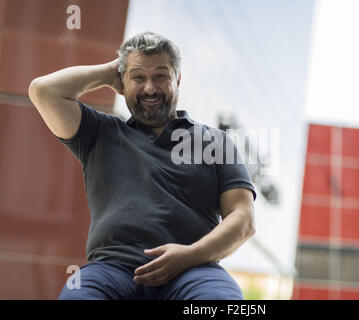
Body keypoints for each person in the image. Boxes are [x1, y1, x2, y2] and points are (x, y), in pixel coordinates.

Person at [28, 31, 256, 300]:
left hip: (196, 270)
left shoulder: (216, 141)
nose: (149, 88)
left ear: (178, 80)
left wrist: (189, 255)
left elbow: (243, 219)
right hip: (110, 270)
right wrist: (111, 71)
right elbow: (43, 91)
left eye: (160, 75)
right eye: (138, 77)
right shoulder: (99, 133)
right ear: (121, 83)